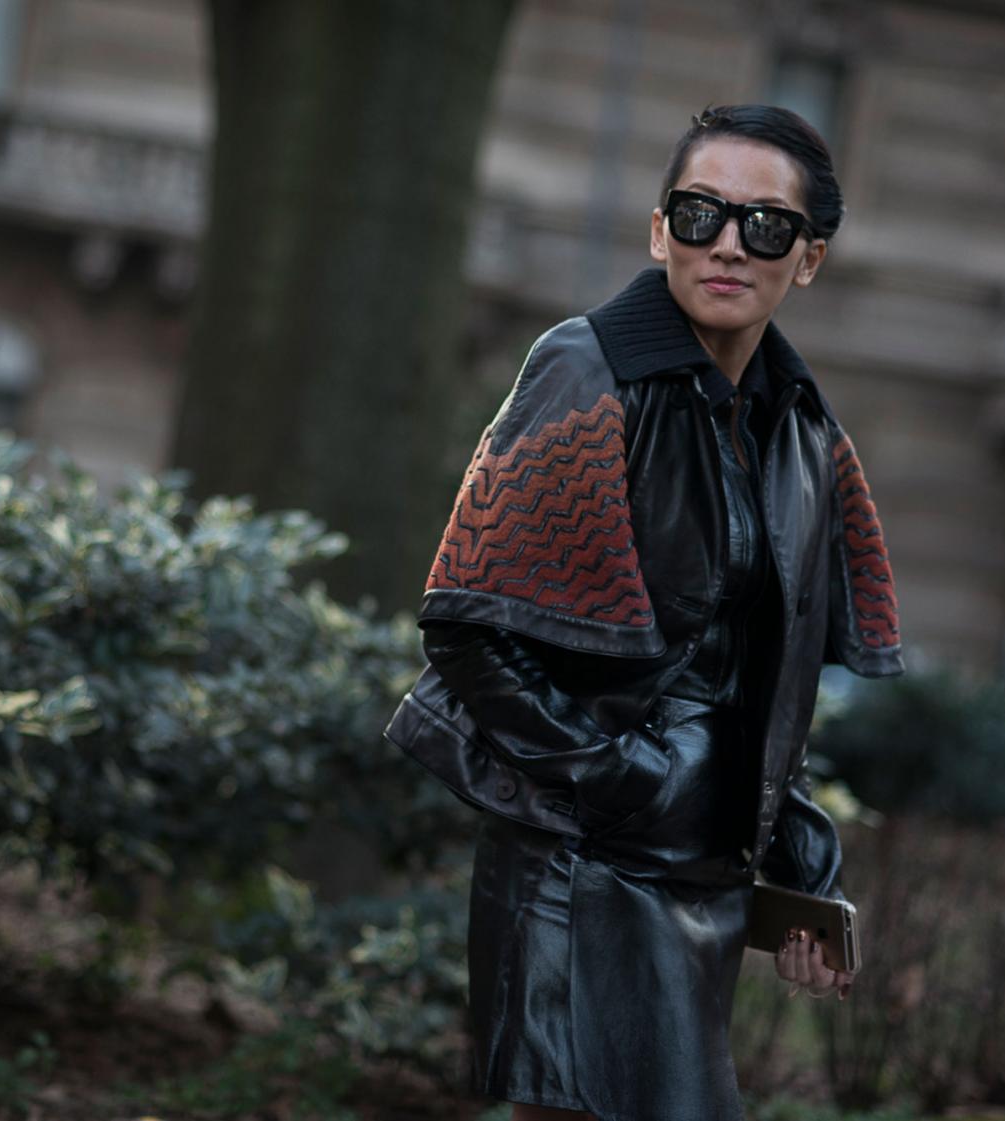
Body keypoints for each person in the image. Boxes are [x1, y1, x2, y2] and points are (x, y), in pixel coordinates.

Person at [386, 104, 904, 1121]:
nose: (728, 244)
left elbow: (761, 678)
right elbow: (469, 627)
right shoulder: (588, 368)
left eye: (765, 226)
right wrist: (625, 783)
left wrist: (801, 859)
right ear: (660, 229)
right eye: (701, 213)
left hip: (699, 872)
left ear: (808, 259)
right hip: (577, 862)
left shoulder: (801, 431)